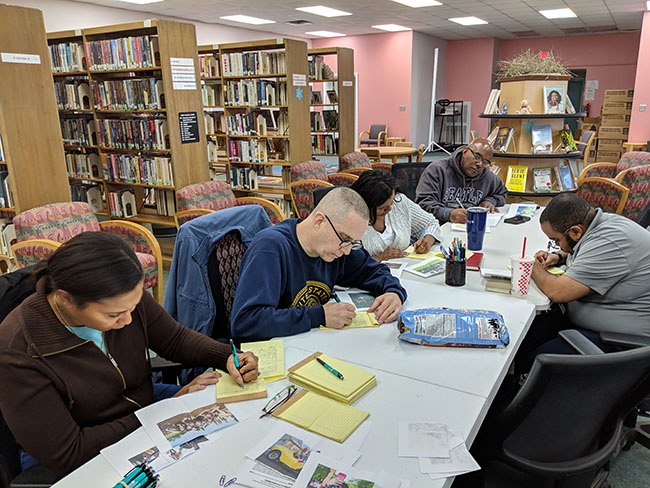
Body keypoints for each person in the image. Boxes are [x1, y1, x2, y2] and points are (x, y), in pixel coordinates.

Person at [0, 232, 259, 477]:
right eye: (113, 315)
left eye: (133, 307)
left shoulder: (121, 296)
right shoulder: (18, 350)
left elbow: (174, 338)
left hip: (143, 405)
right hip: (84, 445)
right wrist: (163, 414)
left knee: (244, 431)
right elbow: (68, 452)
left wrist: (227, 355)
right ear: (66, 300)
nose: (127, 320)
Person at [231, 187, 407, 340]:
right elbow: (246, 322)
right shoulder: (270, 248)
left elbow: (372, 270)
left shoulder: (336, 249)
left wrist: (393, 292)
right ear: (319, 222)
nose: (347, 251)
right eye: (345, 239)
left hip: (311, 342)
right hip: (273, 357)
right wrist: (319, 316)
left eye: (353, 242)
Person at [515, 193, 650, 373]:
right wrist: (558, 256)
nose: (557, 246)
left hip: (620, 344)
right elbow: (588, 250)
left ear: (576, 232)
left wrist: (531, 267)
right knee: (522, 337)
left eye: (556, 241)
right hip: (588, 324)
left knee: (538, 364)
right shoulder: (601, 224)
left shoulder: (611, 241)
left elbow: (558, 292)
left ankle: (526, 395)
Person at [350, 170, 441, 262]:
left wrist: (427, 241)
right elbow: (350, 263)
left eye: (392, 201)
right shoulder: (351, 222)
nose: (390, 209)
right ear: (365, 205)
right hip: (370, 274)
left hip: (407, 268)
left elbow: (431, 223)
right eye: (383, 208)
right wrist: (379, 258)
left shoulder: (400, 202)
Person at [415, 138, 508, 224]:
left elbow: (502, 192)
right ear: (464, 152)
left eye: (485, 162)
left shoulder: (487, 176)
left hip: (471, 228)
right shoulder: (437, 170)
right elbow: (423, 204)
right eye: (477, 157)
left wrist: (490, 201)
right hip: (438, 228)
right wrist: (449, 214)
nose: (479, 164)